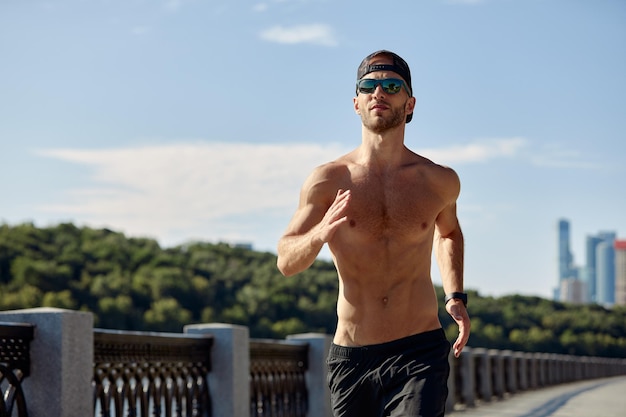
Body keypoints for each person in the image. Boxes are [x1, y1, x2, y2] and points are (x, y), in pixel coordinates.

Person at [276, 50, 470, 417]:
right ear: (356, 103)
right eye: (369, 86)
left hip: (419, 352)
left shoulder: (438, 181)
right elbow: (286, 260)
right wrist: (318, 234)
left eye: (391, 86)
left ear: (409, 103)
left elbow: (449, 234)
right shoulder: (327, 181)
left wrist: (455, 295)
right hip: (352, 356)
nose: (378, 93)